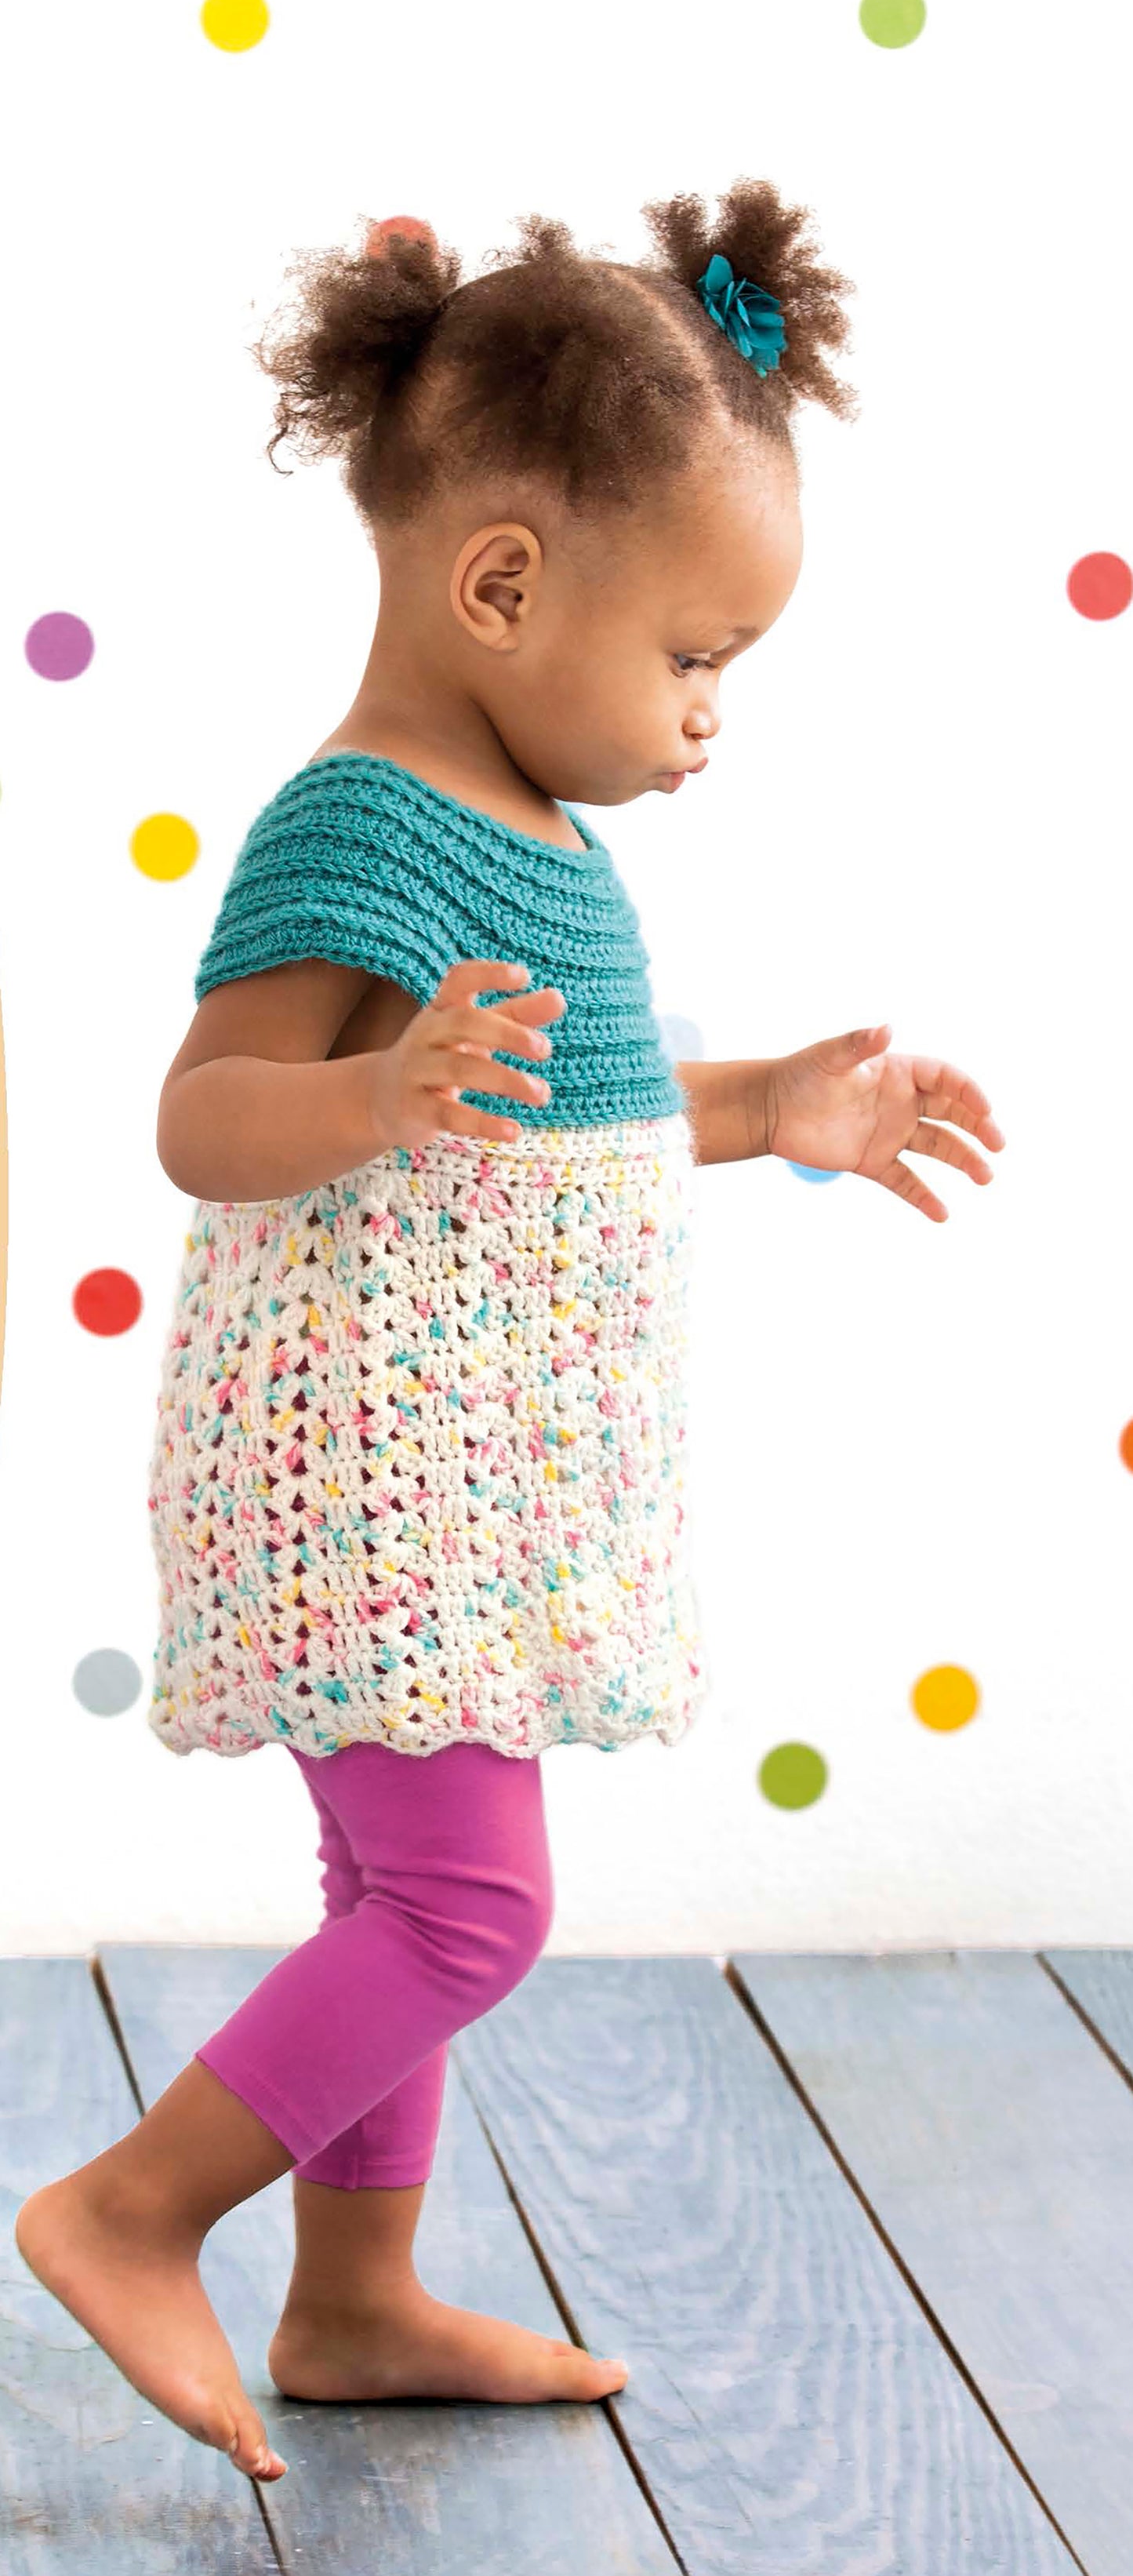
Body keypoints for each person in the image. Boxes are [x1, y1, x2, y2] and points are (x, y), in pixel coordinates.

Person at [15, 182, 1004, 2483]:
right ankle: (131, 2206)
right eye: (694, 657)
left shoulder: (539, 837)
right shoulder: (362, 824)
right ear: (500, 585)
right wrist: (368, 1092)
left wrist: (795, 1109)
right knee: (474, 1900)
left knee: (396, 1890)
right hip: (358, 1473)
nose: (705, 717)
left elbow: (599, 1112)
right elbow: (200, 1116)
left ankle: (352, 2300)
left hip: (470, 1482)